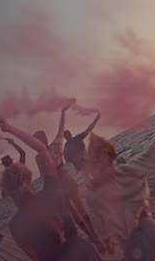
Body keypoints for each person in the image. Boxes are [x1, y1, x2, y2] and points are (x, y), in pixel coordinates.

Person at [0, 116, 101, 261]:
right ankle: (96, 238)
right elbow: (42, 149)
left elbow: (36, 258)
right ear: (28, 179)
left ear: (8, 193)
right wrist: (9, 128)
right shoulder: (51, 193)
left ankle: (95, 237)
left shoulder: (15, 226)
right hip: (84, 254)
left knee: (77, 213)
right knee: (80, 210)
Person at [85, 112, 155, 260]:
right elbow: (99, 226)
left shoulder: (128, 171)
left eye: (98, 157)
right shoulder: (93, 194)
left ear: (108, 155)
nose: (96, 162)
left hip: (151, 234)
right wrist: (107, 244)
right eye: (92, 160)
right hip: (131, 247)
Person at [33, 101, 104, 252]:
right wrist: (63, 111)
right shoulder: (56, 145)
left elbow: (44, 177)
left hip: (56, 184)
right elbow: (61, 128)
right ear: (44, 139)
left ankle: (92, 236)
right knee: (80, 208)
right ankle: (95, 236)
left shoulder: (40, 157)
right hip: (64, 178)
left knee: (74, 211)